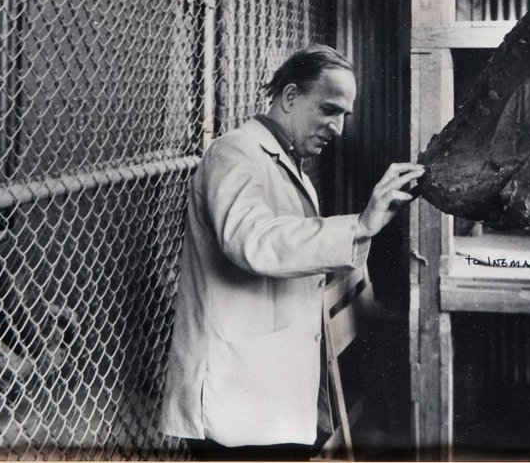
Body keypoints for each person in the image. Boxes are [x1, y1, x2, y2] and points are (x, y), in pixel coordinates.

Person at [159, 45, 424, 459]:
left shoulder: (284, 162)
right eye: (329, 110)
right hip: (236, 398)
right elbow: (250, 240)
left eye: (344, 117)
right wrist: (357, 226)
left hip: (265, 392)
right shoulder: (235, 153)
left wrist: (360, 232)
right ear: (289, 97)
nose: (337, 127)